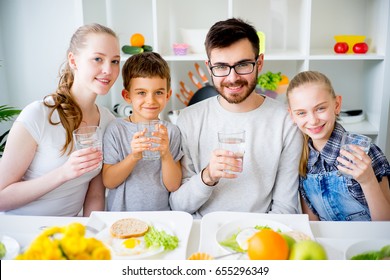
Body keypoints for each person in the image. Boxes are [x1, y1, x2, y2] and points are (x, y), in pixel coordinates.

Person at [169, 18, 303, 218]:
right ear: (209, 67)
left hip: (261, 235)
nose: (232, 78)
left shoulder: (286, 121)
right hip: (202, 231)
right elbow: (178, 206)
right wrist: (208, 176)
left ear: (260, 63)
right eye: (221, 67)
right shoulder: (188, 119)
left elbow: (286, 208)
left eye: (242, 65)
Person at [0, 23, 120, 216]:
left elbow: (95, 195)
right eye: (98, 59)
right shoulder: (38, 115)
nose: (108, 69)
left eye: (115, 61)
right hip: (23, 231)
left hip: (69, 232)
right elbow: (1, 198)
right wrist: (63, 173)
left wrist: (92, 236)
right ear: (73, 61)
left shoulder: (107, 121)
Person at [286, 70, 390, 221]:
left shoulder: (364, 152)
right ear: (292, 115)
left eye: (320, 108)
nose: (313, 120)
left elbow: (386, 225)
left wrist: (368, 181)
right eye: (301, 113)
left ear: (337, 104)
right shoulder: (302, 157)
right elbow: (312, 223)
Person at [102, 52, 183, 211]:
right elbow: (109, 181)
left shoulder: (171, 132)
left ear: (168, 96)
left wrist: (165, 154)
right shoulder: (116, 129)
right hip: (122, 216)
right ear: (127, 96)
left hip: (160, 216)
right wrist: (134, 156)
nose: (150, 100)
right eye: (141, 93)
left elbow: (173, 186)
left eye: (158, 92)